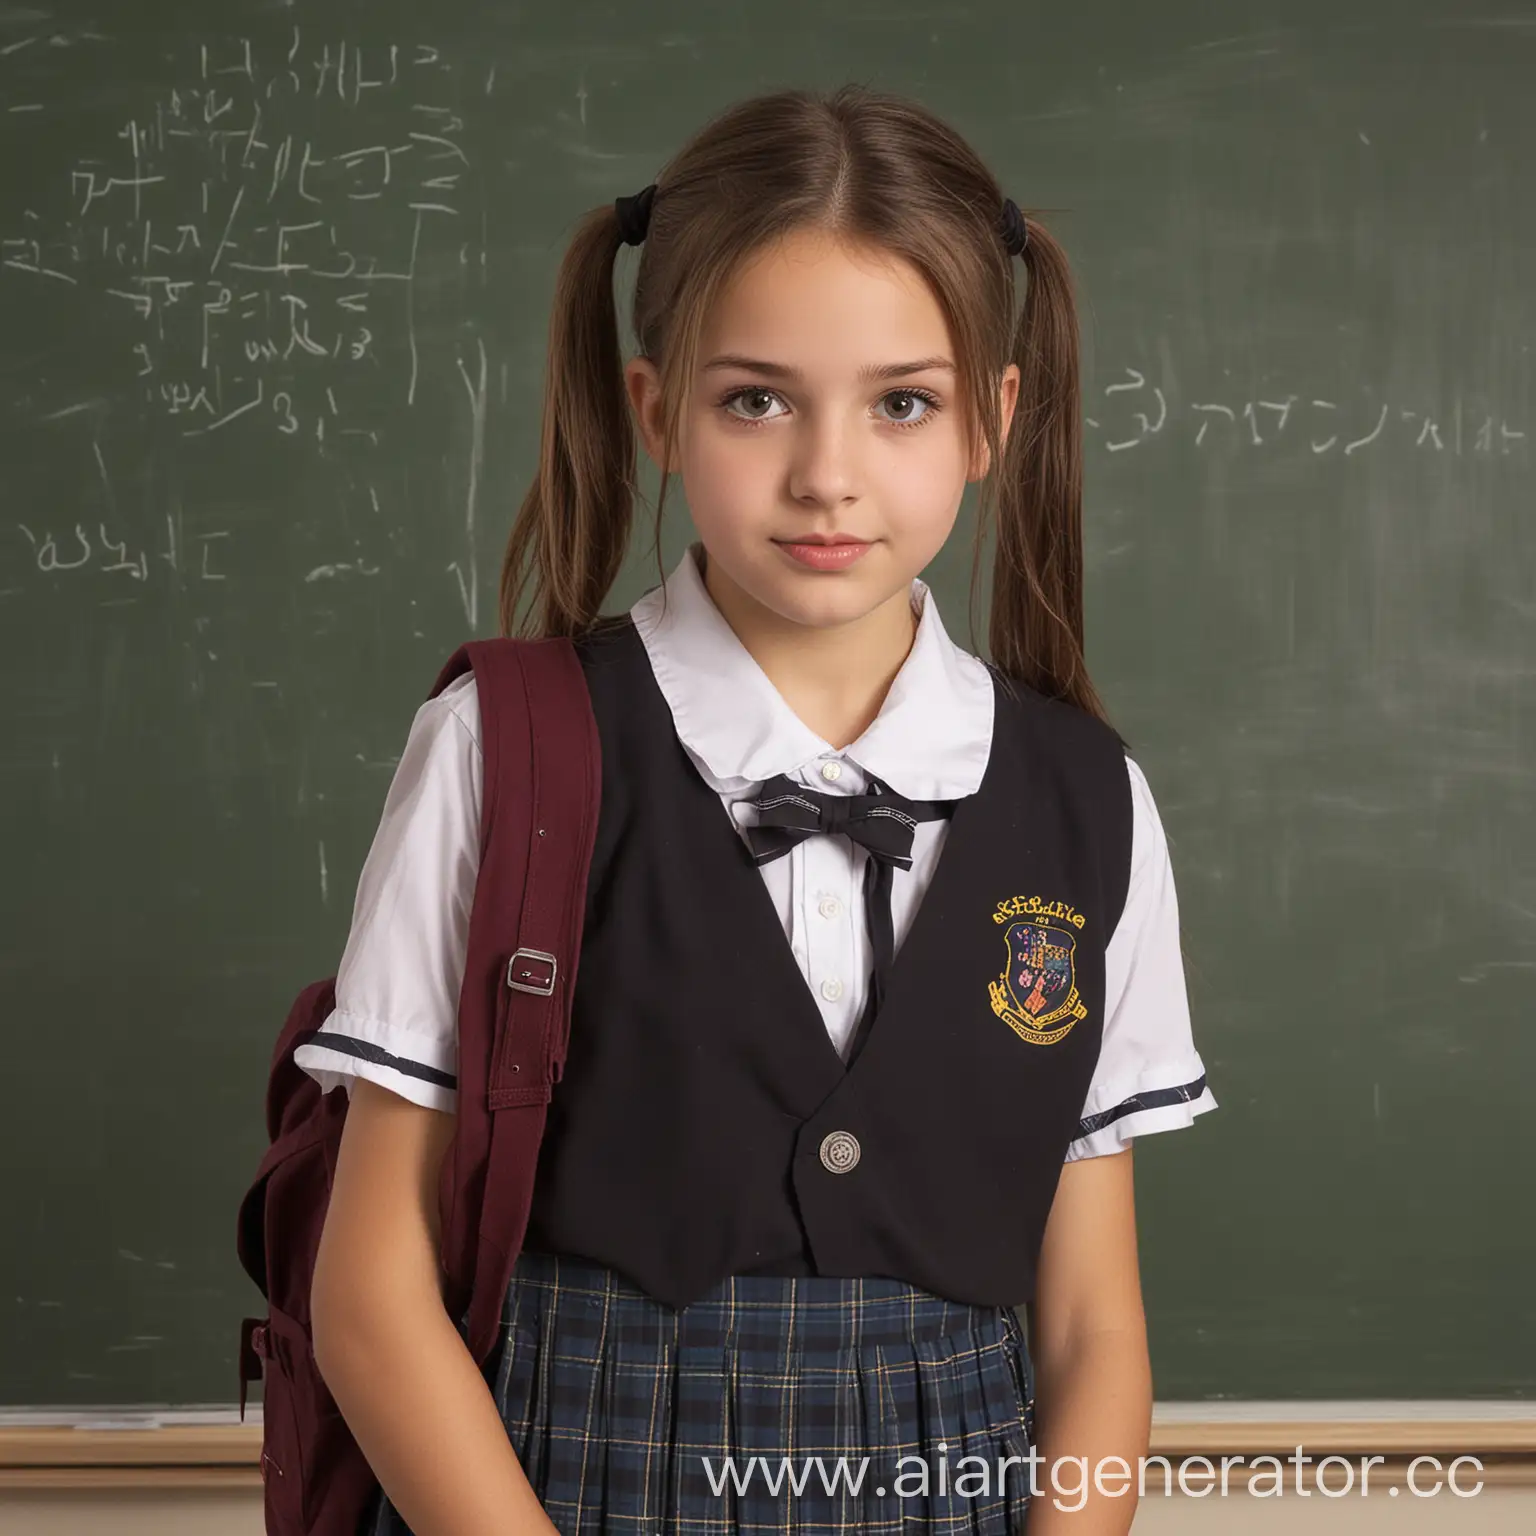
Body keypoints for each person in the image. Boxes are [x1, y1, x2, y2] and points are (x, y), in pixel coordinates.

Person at [297, 83, 1216, 1536]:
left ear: (992, 420)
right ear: (658, 410)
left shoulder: (1084, 800)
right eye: (755, 399)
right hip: (564, 1487)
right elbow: (369, 1294)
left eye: (903, 402)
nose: (828, 474)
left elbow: (1095, 1325)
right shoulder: (509, 749)